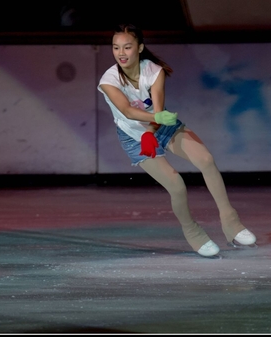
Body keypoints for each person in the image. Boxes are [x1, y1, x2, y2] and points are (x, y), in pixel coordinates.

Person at [97, 23, 256, 257]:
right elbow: (128, 112)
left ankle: (230, 221)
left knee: (206, 159)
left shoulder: (154, 71)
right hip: (133, 138)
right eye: (116, 47)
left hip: (161, 127)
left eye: (127, 47)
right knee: (177, 185)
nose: (121, 53)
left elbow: (158, 111)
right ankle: (192, 231)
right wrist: (149, 129)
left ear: (139, 48)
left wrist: (152, 128)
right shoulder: (109, 80)